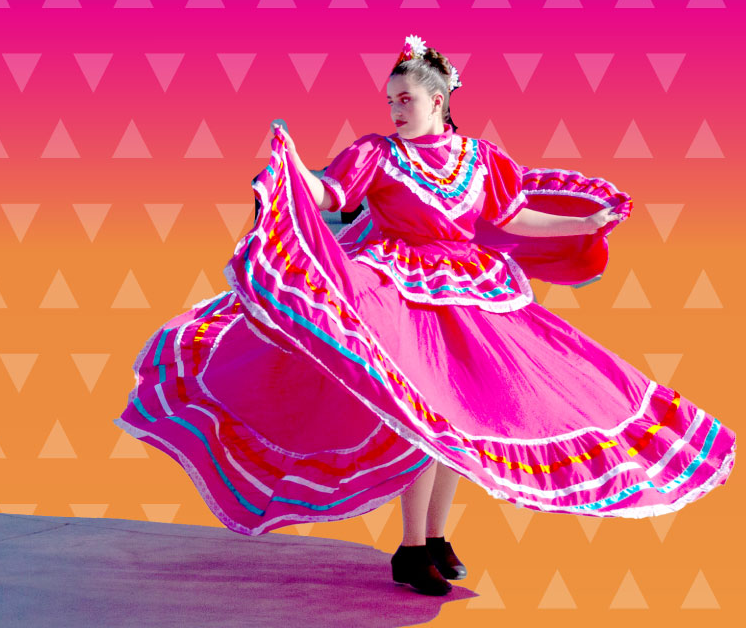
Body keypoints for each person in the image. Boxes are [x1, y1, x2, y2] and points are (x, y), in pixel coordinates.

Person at [115, 35, 734, 595]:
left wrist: (582, 224)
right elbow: (331, 194)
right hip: (398, 292)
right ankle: (411, 550)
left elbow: (511, 217)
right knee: (423, 417)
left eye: (405, 98)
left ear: (438, 100)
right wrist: (296, 167)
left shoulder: (480, 158)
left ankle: (435, 538)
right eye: (390, 100)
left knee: (462, 416)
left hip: (470, 291)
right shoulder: (377, 154)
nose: (395, 109)